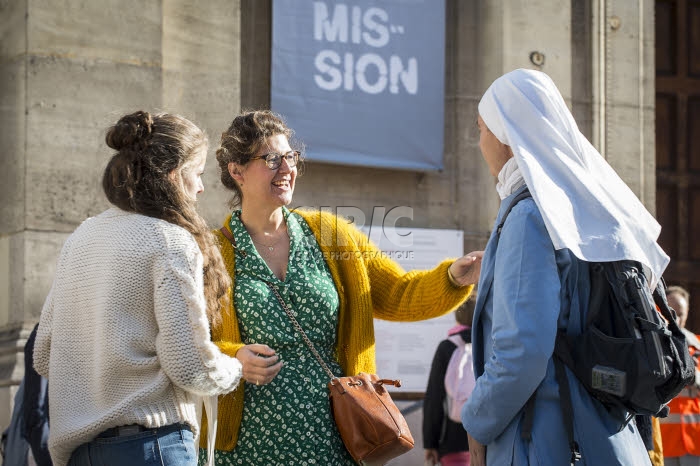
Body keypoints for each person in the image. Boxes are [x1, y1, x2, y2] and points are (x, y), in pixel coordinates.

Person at [196, 109, 482, 465]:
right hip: (248, 445)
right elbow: (189, 345)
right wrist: (234, 355)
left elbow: (397, 294)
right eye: (271, 159)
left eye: (290, 157)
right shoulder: (209, 252)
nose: (286, 169)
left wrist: (453, 277)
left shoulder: (329, 233)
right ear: (236, 171)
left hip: (336, 437)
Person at [461, 69, 669, 465]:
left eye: (482, 129)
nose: (480, 142)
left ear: (506, 136)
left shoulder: (528, 216)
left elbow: (521, 352)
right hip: (613, 439)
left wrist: (476, 421)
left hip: (550, 441)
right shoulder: (592, 209)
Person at [32, 111, 244, 466]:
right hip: (153, 447)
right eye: (199, 173)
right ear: (175, 175)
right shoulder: (170, 241)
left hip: (81, 453)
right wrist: (234, 368)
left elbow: (43, 355)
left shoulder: (80, 238)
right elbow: (190, 367)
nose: (202, 186)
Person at [423, 295, 476, 466]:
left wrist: (430, 443)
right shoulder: (490, 345)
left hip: (452, 442)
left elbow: (434, 399)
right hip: (489, 442)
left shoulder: (446, 347)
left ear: (457, 316)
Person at [661, 286, 700, 466]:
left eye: (681, 313)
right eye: (671, 311)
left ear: (688, 312)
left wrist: (695, 377)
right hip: (665, 441)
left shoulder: (698, 345)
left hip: (695, 440)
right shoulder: (652, 345)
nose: (676, 318)